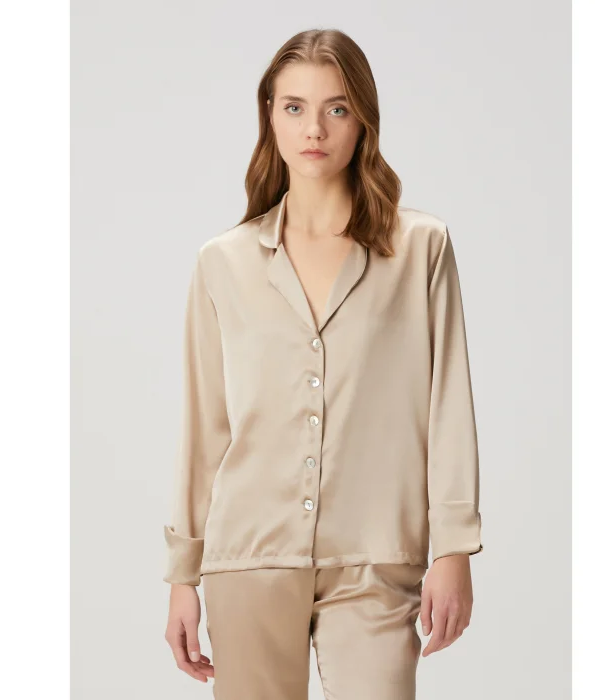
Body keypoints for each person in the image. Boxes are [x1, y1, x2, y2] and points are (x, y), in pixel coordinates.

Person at [163, 28, 483, 699]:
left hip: (375, 555)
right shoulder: (222, 263)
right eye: (295, 107)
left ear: (363, 120)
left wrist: (454, 548)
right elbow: (205, 428)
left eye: (337, 108)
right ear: (270, 116)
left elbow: (447, 404)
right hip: (249, 554)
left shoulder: (420, 248)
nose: (315, 129)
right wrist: (183, 575)